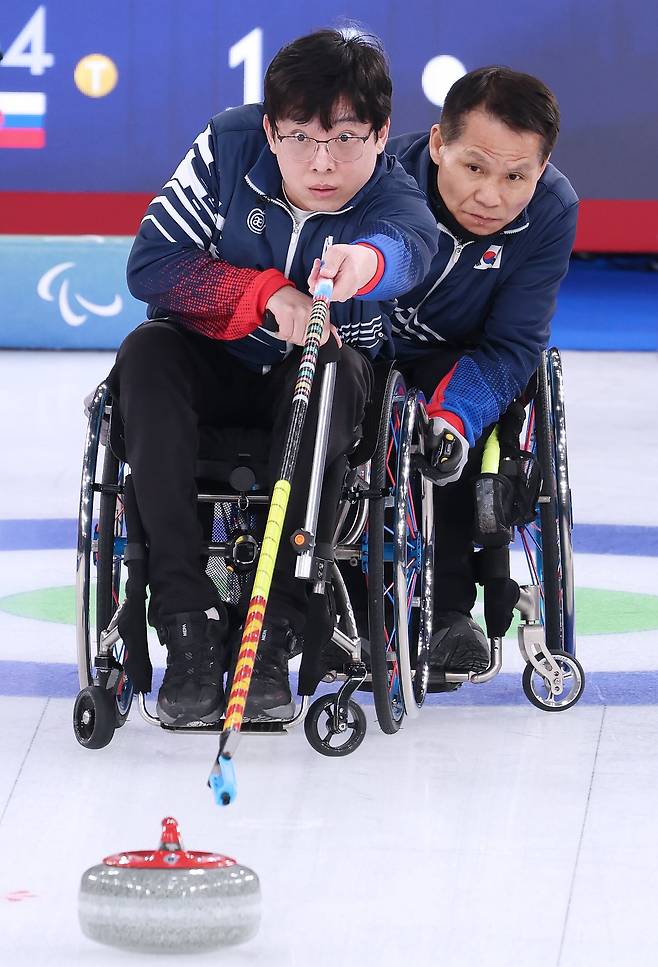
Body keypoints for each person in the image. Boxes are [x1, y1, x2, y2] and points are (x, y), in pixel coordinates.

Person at [109, 28, 437, 726]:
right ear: (270, 129)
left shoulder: (396, 200)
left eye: (345, 138)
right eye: (299, 137)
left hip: (313, 380)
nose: (321, 161)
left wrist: (362, 267)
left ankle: (275, 628)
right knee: (144, 351)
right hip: (206, 361)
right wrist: (263, 293)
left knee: (330, 373)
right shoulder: (228, 148)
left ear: (381, 135)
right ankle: (185, 618)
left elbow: (408, 253)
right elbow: (151, 265)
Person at [384, 66, 579, 675]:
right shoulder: (378, 179)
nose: (491, 196)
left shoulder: (550, 213)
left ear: (540, 169)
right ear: (438, 142)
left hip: (465, 360)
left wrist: (452, 421)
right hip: (363, 349)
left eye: (516, 176)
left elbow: (513, 348)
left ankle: (447, 613)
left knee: (453, 438)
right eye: (474, 167)